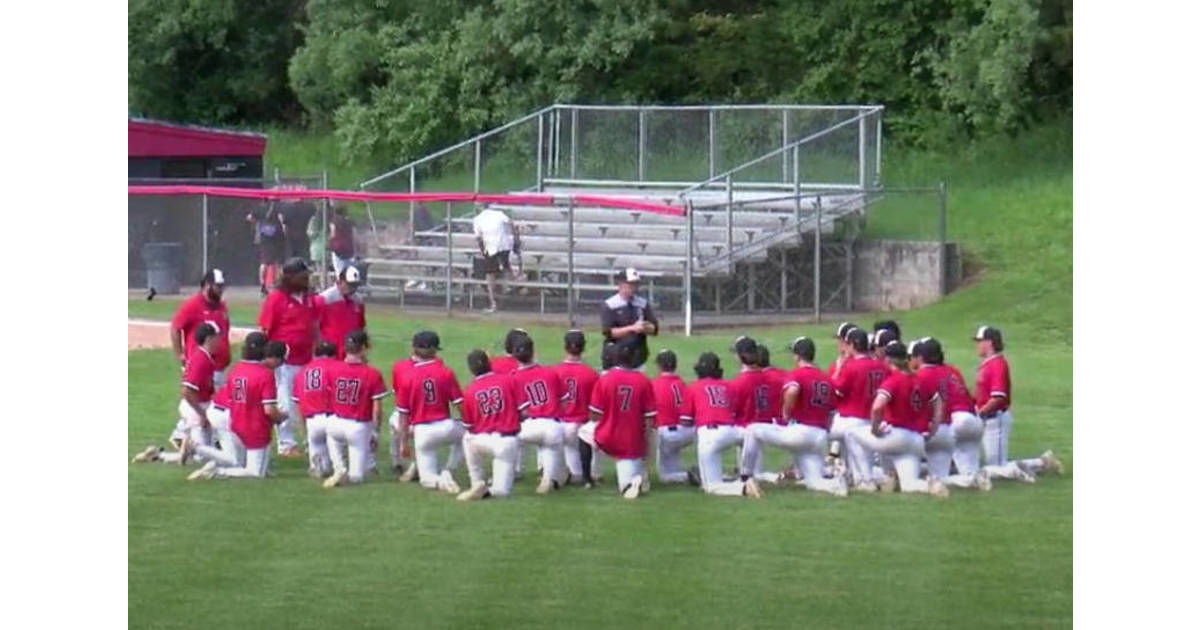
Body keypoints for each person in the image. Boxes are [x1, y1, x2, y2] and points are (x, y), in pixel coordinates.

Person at [743, 336, 848, 496]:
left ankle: (746, 476)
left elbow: (792, 391)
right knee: (814, 483)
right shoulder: (826, 377)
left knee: (752, 429)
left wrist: (786, 412)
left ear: (798, 356)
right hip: (820, 436)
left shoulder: (797, 374)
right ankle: (836, 484)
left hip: (800, 432)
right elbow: (832, 412)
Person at [846, 341, 950, 496]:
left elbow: (877, 407)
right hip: (916, 439)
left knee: (851, 434)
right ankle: (930, 486)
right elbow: (938, 402)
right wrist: (933, 428)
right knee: (909, 485)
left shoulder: (894, 379)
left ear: (888, 360)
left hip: (897, 436)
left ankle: (865, 480)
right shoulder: (920, 379)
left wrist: (874, 429)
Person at [188, 335, 287, 480]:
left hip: (231, 416)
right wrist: (281, 417)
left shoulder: (236, 369)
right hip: (235, 418)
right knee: (250, 470)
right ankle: (216, 470)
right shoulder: (264, 374)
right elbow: (268, 410)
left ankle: (200, 451)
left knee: (236, 461)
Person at [973, 326, 1061, 481]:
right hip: (988, 419)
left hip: (996, 419)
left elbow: (998, 397)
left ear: (990, 343)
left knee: (997, 468)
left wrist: (981, 412)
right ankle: (1042, 462)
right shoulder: (987, 364)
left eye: (980, 341)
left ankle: (1042, 463)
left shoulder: (997, 364)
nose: (977, 345)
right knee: (994, 465)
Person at [132, 323, 221, 465]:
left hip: (195, 406)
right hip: (195, 408)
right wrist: (201, 414)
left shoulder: (204, 357)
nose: (220, 340)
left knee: (204, 449)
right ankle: (177, 447)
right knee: (202, 456)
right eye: (217, 336)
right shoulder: (201, 360)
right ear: (208, 338)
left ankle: (163, 451)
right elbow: (186, 390)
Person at [910, 338, 991, 491]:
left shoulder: (922, 375)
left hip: (954, 421)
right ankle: (973, 478)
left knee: (924, 467)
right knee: (966, 468)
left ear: (921, 357)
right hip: (974, 419)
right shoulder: (951, 370)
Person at [258, 257, 318, 457]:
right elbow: (264, 329)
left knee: (310, 402)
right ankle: (286, 444)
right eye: (302, 277)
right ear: (291, 277)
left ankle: (312, 440)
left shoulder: (308, 297)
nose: (306, 280)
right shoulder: (276, 298)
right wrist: (266, 359)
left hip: (307, 359)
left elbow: (314, 326)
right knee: (285, 404)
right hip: (284, 362)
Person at [681, 352, 763, 498]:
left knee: (710, 487)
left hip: (710, 434)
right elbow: (735, 412)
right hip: (734, 431)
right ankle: (746, 476)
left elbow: (686, 421)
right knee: (749, 440)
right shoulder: (728, 386)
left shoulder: (693, 387)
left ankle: (743, 488)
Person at [393, 331, 467, 493]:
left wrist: (404, 443)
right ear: (435, 351)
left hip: (422, 432)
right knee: (466, 437)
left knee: (427, 480)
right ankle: (449, 470)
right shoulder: (445, 372)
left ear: (414, 349)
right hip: (446, 426)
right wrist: (471, 425)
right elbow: (459, 404)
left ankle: (440, 481)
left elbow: (403, 415)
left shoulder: (407, 376)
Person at [167, 269, 231, 447]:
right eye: (218, 286)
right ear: (207, 285)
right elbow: (175, 328)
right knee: (207, 400)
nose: (221, 290)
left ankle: (181, 434)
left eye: (222, 286)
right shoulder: (193, 305)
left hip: (217, 363)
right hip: (200, 363)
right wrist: (180, 353)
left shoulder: (221, 306)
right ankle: (192, 434)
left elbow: (225, 330)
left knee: (211, 400)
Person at [587, 342, 658, 498]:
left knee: (582, 433)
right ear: (633, 358)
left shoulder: (605, 379)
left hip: (607, 437)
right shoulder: (643, 380)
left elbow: (594, 415)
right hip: (632, 442)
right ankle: (636, 479)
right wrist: (645, 445)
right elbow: (649, 420)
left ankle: (589, 475)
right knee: (626, 483)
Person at [322, 330, 389, 488]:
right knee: (357, 477)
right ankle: (345, 473)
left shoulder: (332, 369)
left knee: (332, 438)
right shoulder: (372, 374)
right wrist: (375, 432)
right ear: (364, 348)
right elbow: (377, 409)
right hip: (358, 427)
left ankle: (339, 468)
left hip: (335, 423)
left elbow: (328, 399)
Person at [456, 350, 525, 500]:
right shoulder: (509, 380)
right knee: (501, 492)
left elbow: (469, 425)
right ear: (490, 363)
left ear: (471, 369)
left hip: (482, 441)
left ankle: (476, 481)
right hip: (507, 442)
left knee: (467, 438)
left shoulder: (469, 391)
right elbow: (523, 411)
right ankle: (486, 490)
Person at [831, 327, 889, 491]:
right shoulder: (881, 366)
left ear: (854, 345)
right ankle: (861, 475)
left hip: (850, 419)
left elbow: (836, 390)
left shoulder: (851, 366)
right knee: (864, 456)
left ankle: (862, 478)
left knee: (817, 432)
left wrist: (838, 369)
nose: (845, 347)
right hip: (873, 420)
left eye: (848, 343)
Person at [509, 333, 567, 493]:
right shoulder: (550, 372)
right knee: (549, 446)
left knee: (513, 439)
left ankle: (514, 471)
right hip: (553, 425)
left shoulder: (514, 377)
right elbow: (564, 402)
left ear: (514, 356)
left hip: (531, 425)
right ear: (533, 352)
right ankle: (547, 477)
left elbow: (523, 411)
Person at [728, 336, 780, 484]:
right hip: (766, 425)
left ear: (740, 357)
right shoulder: (766, 377)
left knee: (752, 474)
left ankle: (750, 476)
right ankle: (763, 476)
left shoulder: (739, 382)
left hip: (747, 428)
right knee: (756, 472)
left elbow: (733, 413)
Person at [552, 330, 600, 484]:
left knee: (559, 450)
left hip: (560, 426)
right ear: (583, 348)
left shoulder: (554, 372)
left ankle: (556, 472)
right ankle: (588, 472)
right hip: (582, 426)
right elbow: (596, 407)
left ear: (565, 347)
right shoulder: (591, 374)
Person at [650, 349, 698, 485]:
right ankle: (686, 474)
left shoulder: (654, 385)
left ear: (659, 366)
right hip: (688, 432)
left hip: (666, 434)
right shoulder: (682, 384)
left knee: (665, 477)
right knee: (673, 464)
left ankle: (691, 475)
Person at [291, 341, 339, 479]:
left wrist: (304, 432)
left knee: (318, 464)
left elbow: (298, 405)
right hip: (333, 418)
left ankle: (319, 467)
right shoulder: (338, 367)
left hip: (312, 420)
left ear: (315, 354)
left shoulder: (302, 372)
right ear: (334, 354)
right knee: (338, 455)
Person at [599, 268, 659, 370]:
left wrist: (645, 327)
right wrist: (632, 328)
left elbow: (655, 329)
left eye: (636, 284)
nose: (634, 288)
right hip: (614, 359)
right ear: (621, 284)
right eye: (631, 284)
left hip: (637, 358)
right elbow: (609, 332)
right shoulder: (610, 305)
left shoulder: (642, 304)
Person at [471, 206, 519, 313]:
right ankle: (502, 297)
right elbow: (512, 224)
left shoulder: (478, 219)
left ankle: (494, 303)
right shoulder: (498, 214)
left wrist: (483, 251)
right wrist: (515, 239)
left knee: (491, 275)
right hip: (503, 246)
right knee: (505, 269)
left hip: (493, 248)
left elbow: (479, 238)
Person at [315, 265, 367, 359]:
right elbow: (314, 326)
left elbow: (361, 327)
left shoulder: (358, 301)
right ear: (340, 282)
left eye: (355, 285)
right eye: (350, 285)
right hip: (330, 352)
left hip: (351, 352)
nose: (353, 288)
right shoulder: (324, 299)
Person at [249, 203, 287, 296]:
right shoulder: (278, 206)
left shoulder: (259, 207)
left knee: (264, 263)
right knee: (278, 263)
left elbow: (250, 217)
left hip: (264, 238)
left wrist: (258, 224)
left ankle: (263, 286)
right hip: (277, 237)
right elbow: (282, 220)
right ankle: (277, 285)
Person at [328, 206, 356, 276]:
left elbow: (333, 234)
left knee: (339, 270)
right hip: (349, 248)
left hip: (338, 248)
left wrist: (329, 243)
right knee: (349, 270)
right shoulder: (350, 222)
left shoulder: (334, 222)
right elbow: (354, 235)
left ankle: (341, 283)